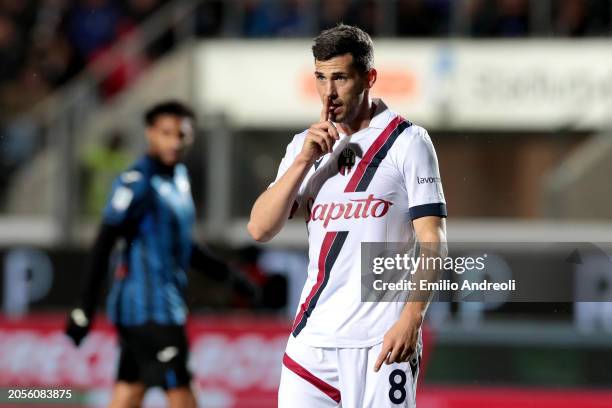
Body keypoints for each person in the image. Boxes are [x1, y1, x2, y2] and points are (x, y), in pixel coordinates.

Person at [248, 25, 447, 407]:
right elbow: (259, 227)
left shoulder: (408, 142)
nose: (329, 92)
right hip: (312, 341)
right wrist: (306, 160)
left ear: (368, 78)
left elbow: (433, 240)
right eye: (321, 78)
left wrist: (412, 318)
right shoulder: (304, 147)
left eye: (340, 77)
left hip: (380, 341)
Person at [65, 100, 257, 408]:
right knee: (182, 393)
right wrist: (84, 307)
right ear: (150, 134)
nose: (175, 142)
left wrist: (232, 278)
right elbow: (104, 241)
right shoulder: (137, 181)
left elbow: (184, 246)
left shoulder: (179, 178)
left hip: (163, 307)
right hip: (147, 312)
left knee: (130, 389)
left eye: (182, 135)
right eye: (166, 133)